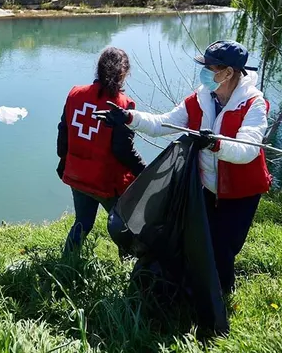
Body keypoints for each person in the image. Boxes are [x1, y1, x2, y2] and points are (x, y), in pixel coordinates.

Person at [95, 40, 272, 293]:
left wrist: (215, 144)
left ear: (228, 72)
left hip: (242, 190)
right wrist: (128, 117)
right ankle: (199, 290)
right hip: (206, 187)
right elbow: (163, 123)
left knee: (225, 247)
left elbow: (248, 150)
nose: (205, 72)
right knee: (203, 240)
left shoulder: (253, 104)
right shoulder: (200, 98)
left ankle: (222, 296)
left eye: (210, 68)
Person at [57, 47, 146, 255]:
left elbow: (63, 132)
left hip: (77, 174)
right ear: (124, 73)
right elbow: (123, 150)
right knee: (124, 226)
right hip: (106, 181)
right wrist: (144, 172)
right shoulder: (123, 105)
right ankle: (129, 267)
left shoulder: (75, 94)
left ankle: (67, 261)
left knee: (82, 222)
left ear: (98, 69)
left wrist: (63, 160)